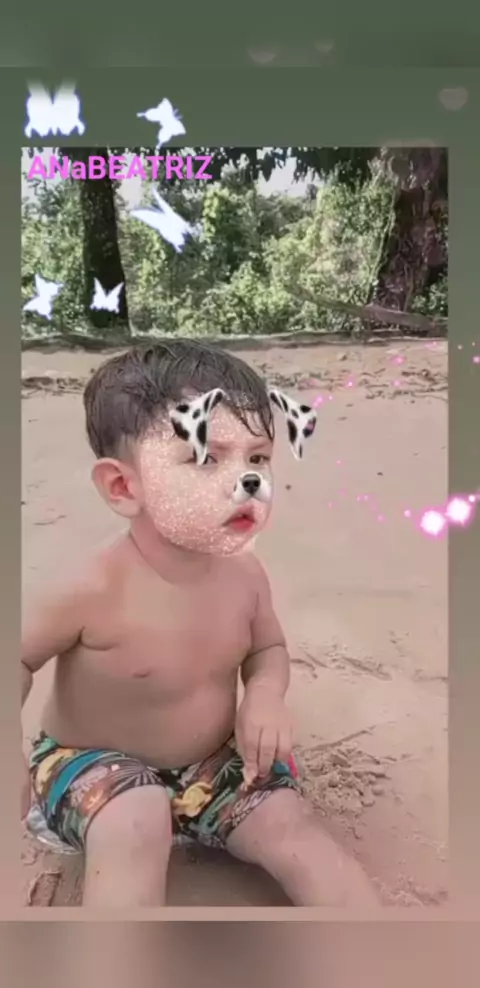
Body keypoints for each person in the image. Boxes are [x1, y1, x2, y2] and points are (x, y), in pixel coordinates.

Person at [21, 339, 378, 908]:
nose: (246, 481)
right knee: (134, 820)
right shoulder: (91, 587)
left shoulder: (246, 575)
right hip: (92, 764)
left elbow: (267, 648)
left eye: (257, 458)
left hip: (212, 763)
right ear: (123, 487)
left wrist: (264, 695)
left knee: (292, 827)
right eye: (207, 458)